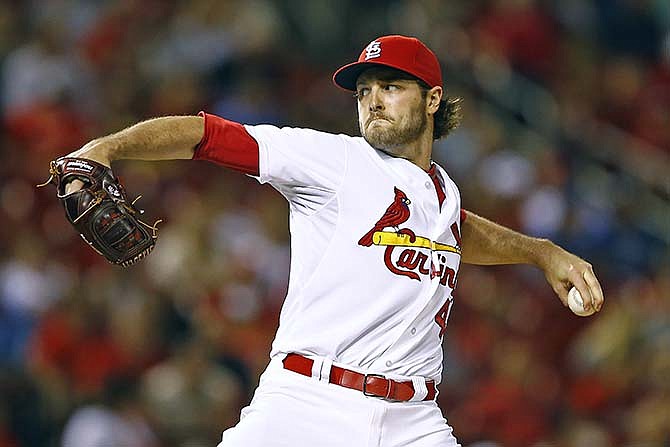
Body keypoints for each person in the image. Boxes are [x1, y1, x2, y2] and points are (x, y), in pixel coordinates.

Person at [65, 35, 604, 447]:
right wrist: (106, 147)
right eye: (365, 91)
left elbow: (459, 231)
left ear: (433, 98)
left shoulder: (442, 192)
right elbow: (208, 136)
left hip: (413, 421)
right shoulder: (336, 161)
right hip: (308, 402)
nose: (372, 101)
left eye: (390, 87)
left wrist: (540, 251)